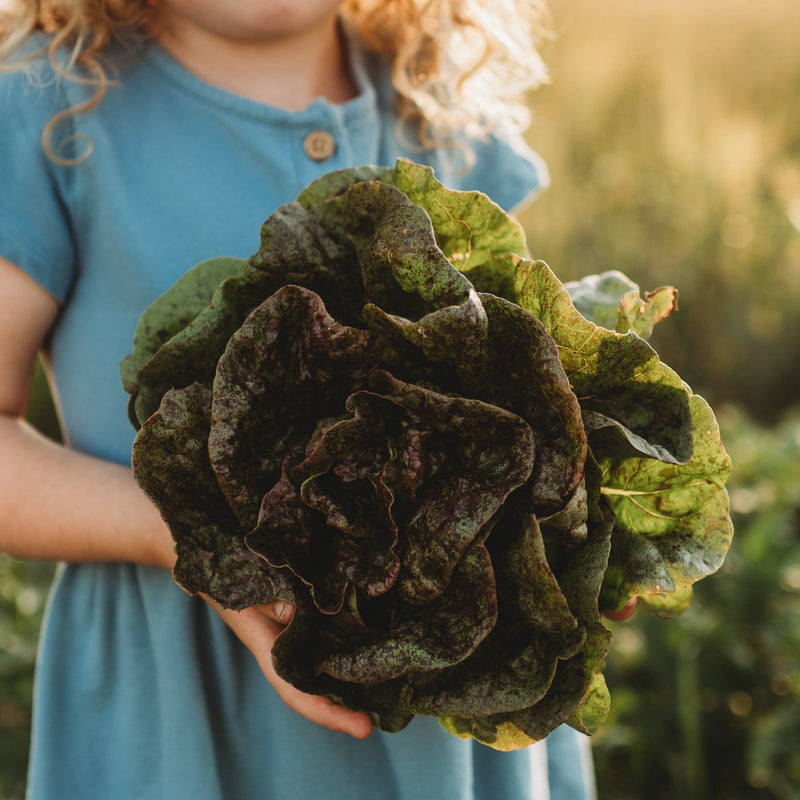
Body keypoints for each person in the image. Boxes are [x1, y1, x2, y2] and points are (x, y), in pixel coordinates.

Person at [0, 1, 614, 797]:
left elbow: (532, 396)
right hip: (172, 720)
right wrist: (175, 537)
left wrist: (587, 545)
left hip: (445, 726)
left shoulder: (438, 103)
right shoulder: (51, 100)